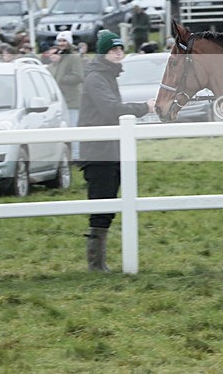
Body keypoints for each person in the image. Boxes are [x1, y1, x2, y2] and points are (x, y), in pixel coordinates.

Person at [77, 30, 155, 271]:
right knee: (101, 205)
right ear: (103, 53)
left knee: (107, 204)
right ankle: (95, 265)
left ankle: (98, 263)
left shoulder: (105, 75)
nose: (118, 53)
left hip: (110, 149)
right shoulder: (96, 78)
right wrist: (144, 107)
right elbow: (110, 109)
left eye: (120, 49)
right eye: (113, 49)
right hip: (99, 152)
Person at [47, 31, 84, 158]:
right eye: (60, 41)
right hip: (61, 101)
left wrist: (61, 79)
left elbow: (78, 76)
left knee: (73, 129)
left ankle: (76, 156)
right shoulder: (60, 58)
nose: (62, 43)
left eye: (64, 41)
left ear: (69, 42)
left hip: (72, 101)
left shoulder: (74, 57)